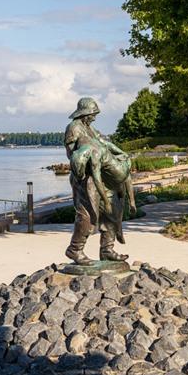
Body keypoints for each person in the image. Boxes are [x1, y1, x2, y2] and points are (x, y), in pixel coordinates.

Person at [64, 97, 133, 265]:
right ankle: (75, 249)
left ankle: (107, 249)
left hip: (102, 178)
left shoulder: (91, 129)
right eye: (93, 114)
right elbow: (73, 155)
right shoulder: (73, 128)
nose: (94, 117)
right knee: (88, 214)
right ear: (85, 113)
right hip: (86, 179)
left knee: (113, 211)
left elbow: (104, 145)